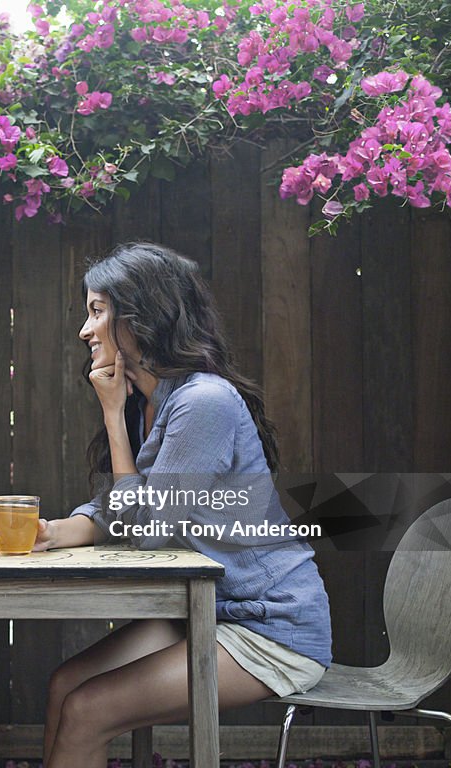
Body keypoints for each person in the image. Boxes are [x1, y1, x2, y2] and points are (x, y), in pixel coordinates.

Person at [34, 242, 332, 768]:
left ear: (141, 317)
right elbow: (122, 509)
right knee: (66, 685)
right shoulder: (156, 400)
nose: (85, 331)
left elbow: (150, 529)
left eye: (97, 311)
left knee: (86, 710)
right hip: (211, 612)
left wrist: (111, 417)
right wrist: (54, 532)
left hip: (269, 626)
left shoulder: (202, 402)